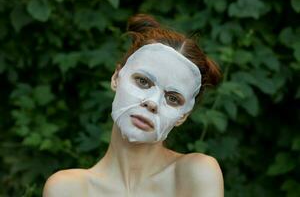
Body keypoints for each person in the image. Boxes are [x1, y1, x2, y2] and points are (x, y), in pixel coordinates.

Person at [43, 13, 224, 197]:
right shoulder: (68, 189)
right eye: (143, 82)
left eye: (172, 98)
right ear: (116, 77)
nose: (152, 103)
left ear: (183, 116)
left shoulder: (196, 173)